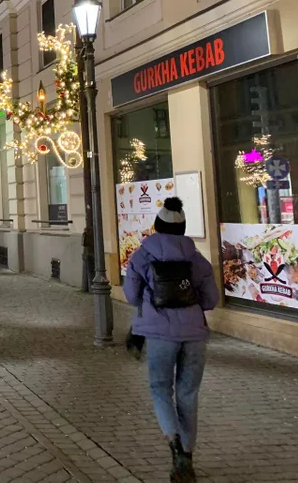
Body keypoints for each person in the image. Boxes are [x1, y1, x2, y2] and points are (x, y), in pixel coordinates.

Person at [124, 197, 219, 483]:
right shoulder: (197, 258)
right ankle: (187, 458)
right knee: (188, 395)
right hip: (193, 335)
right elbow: (211, 300)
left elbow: (131, 296)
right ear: (183, 228)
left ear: (157, 226)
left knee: (160, 389)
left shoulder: (141, 256)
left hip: (159, 334)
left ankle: (175, 447)